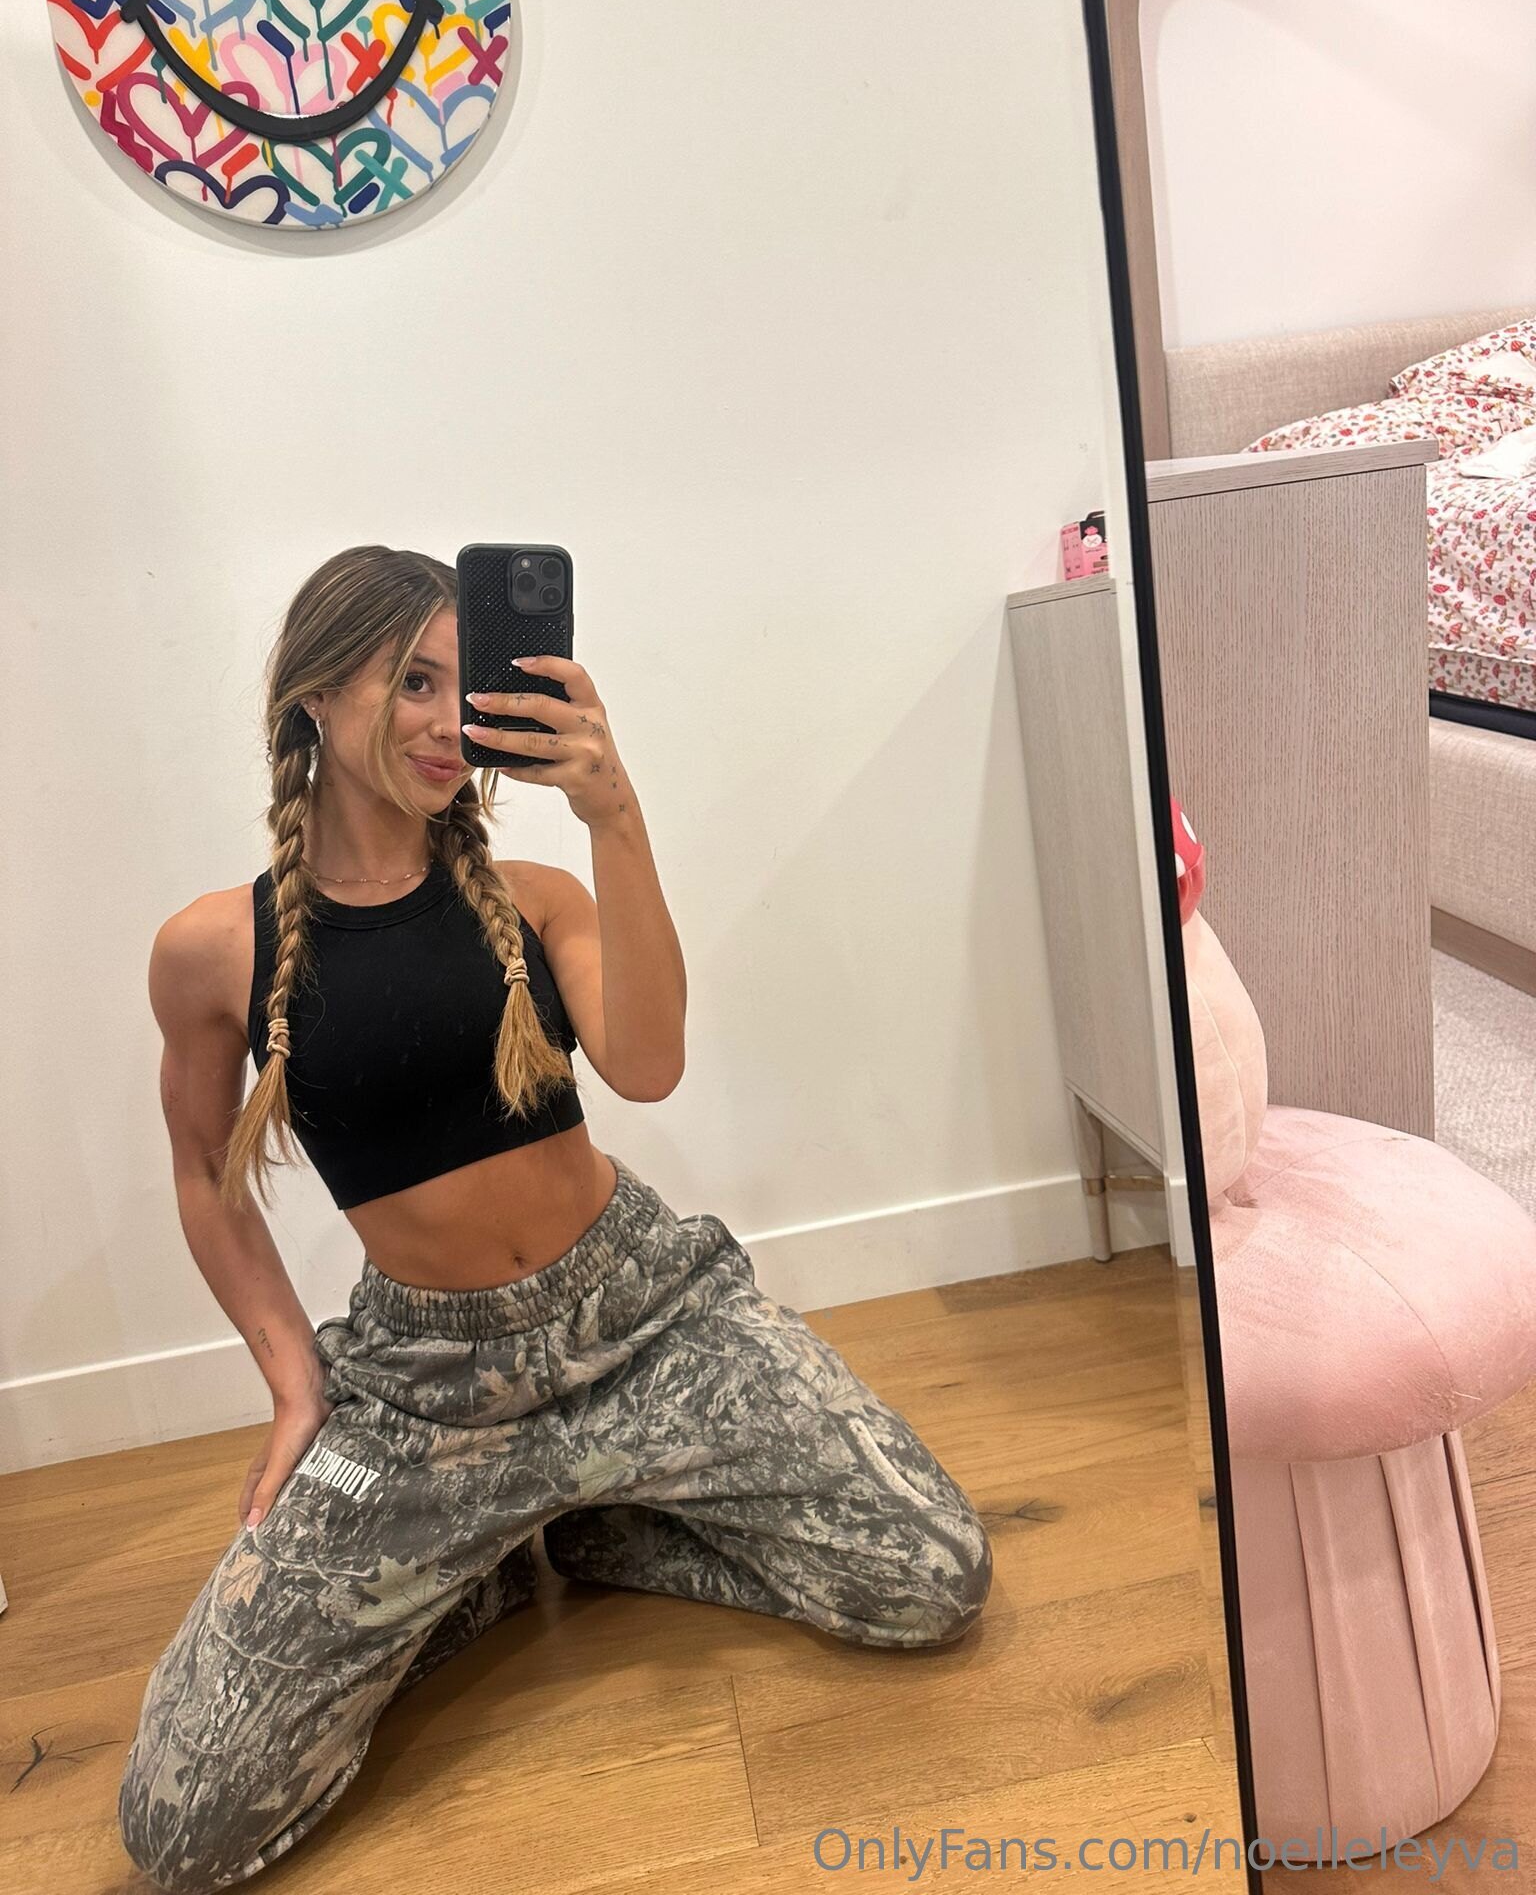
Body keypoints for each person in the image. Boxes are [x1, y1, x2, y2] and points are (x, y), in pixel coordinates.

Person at [118, 546, 993, 1892]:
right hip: (427, 1393)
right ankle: (470, 1571)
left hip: (643, 1319)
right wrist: (296, 1385)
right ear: (313, 694)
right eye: (412, 682)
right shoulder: (213, 949)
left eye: (465, 686)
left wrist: (613, 812)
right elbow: (199, 1168)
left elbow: (649, 1063)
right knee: (180, 1825)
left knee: (933, 1576)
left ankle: (591, 1521)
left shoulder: (539, 898)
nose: (446, 723)